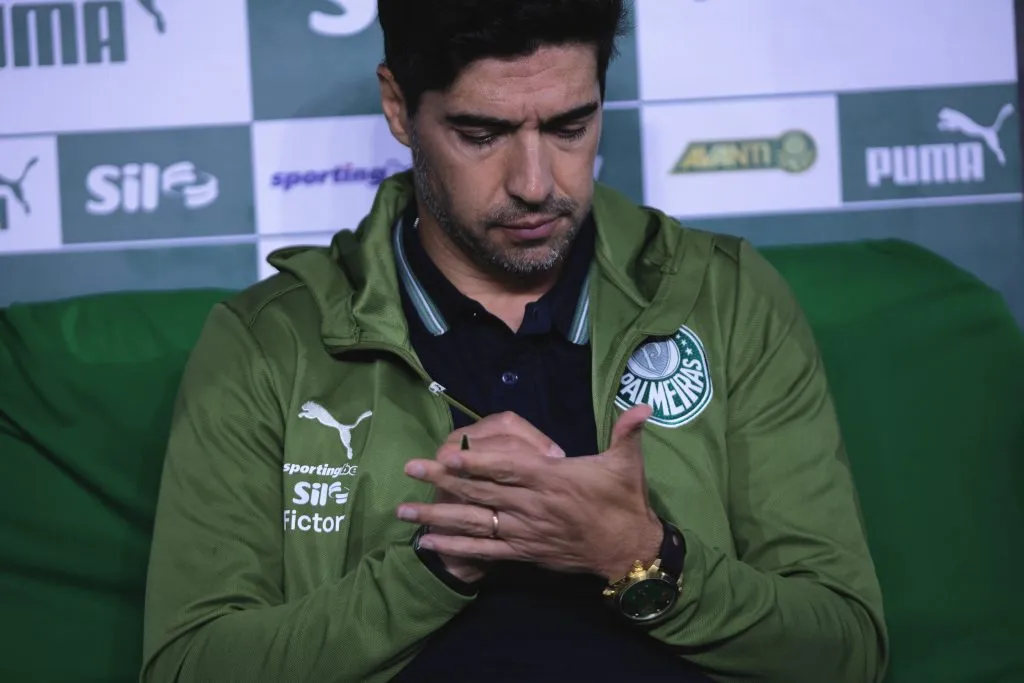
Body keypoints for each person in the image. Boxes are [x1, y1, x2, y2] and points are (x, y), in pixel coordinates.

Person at [139, 1, 890, 681]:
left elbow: (846, 651)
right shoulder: (270, 340)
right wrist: (435, 566)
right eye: (481, 132)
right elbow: (188, 664)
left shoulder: (725, 297)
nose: (536, 182)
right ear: (399, 106)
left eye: (570, 127)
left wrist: (638, 555)